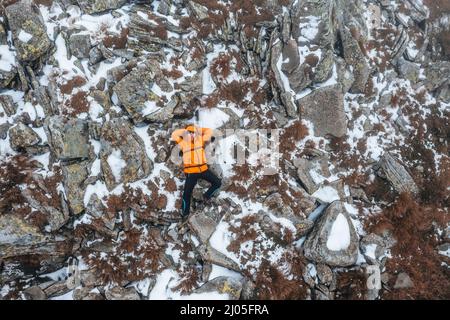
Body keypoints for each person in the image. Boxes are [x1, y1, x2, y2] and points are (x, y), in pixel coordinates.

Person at [171, 123, 222, 219]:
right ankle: (185, 213)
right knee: (187, 193)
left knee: (218, 183)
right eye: (190, 133)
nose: (192, 134)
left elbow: (209, 131)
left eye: (193, 133)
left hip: (203, 170)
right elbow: (174, 134)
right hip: (191, 173)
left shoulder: (200, 140)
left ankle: (206, 196)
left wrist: (198, 130)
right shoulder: (183, 143)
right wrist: (185, 131)